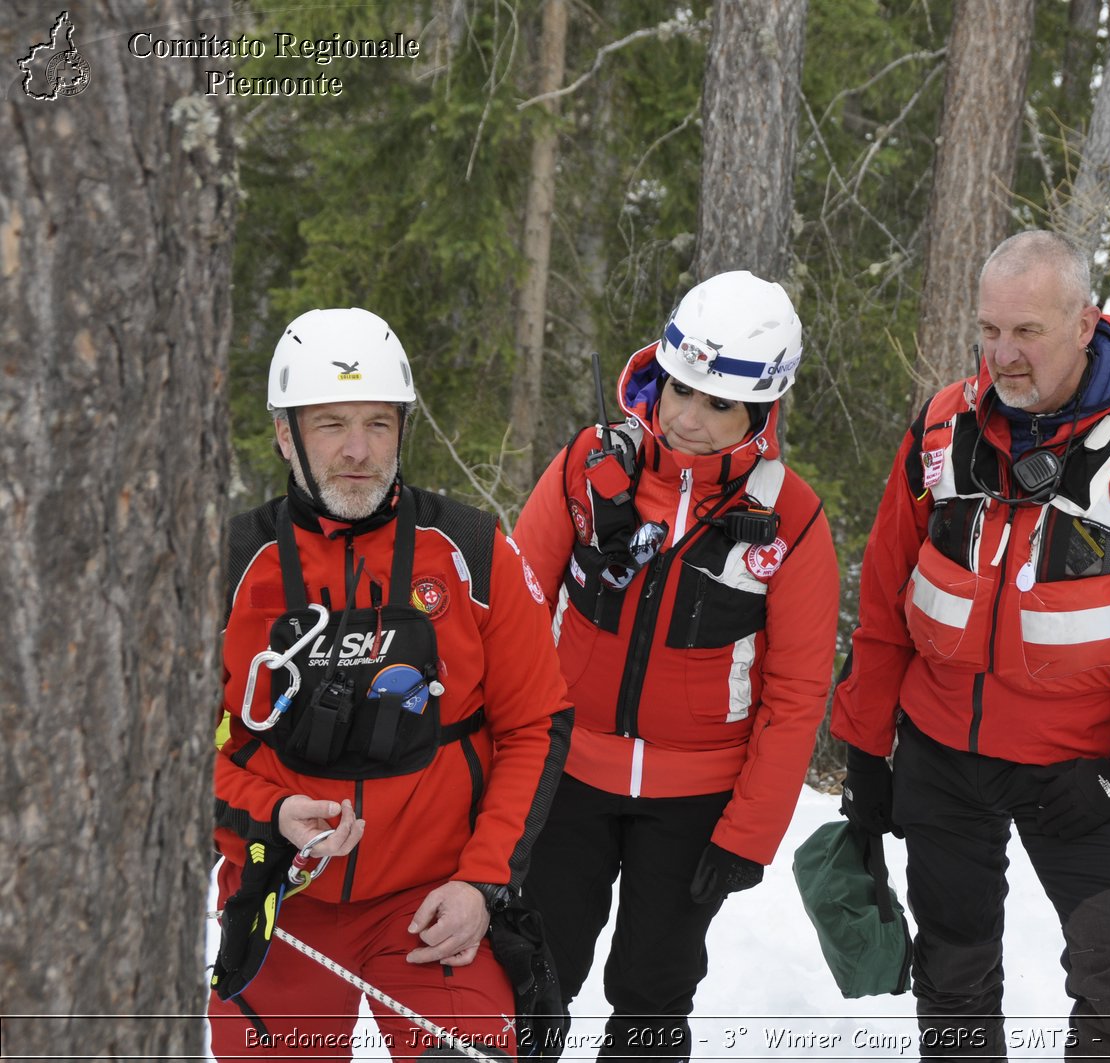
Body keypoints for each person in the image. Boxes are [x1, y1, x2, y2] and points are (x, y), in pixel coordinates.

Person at [831, 229, 1110, 1060]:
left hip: (1082, 766)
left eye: (1026, 332)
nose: (1002, 355)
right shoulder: (943, 425)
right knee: (952, 977)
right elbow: (884, 597)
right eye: (989, 330)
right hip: (942, 751)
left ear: (1086, 321)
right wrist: (866, 751)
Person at [208, 307, 573, 1060]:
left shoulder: (471, 552)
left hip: (433, 899)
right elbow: (177, 758)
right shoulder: (230, 566)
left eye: (379, 423)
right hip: (283, 899)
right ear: (286, 435)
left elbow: (535, 723)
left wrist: (482, 882)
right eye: (330, 424)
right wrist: (271, 811)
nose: (358, 451)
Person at [511, 270, 840, 1060]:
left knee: (654, 990)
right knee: (532, 973)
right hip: (567, 781)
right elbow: (513, 623)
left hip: (694, 804)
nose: (689, 418)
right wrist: (500, 774)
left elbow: (795, 696)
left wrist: (749, 834)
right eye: (679, 388)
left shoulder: (790, 521)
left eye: (719, 404)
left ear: (762, 408)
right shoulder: (586, 470)